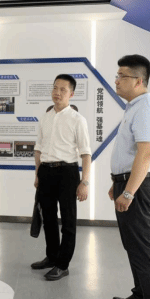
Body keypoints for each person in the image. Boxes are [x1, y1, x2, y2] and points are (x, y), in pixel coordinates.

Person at [108, 55, 150, 299]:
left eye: (122, 76)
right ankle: (141, 296)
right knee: (133, 247)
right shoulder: (134, 108)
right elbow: (130, 153)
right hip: (129, 184)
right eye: (117, 75)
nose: (117, 80)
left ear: (139, 81)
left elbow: (146, 154)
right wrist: (118, 183)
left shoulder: (146, 109)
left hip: (139, 188)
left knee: (143, 250)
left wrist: (129, 191)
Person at [32, 74, 92, 281]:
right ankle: (52, 257)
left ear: (71, 94)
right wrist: (37, 174)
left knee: (68, 221)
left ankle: (63, 264)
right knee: (48, 219)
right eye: (55, 88)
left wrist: (84, 182)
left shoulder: (77, 119)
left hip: (67, 173)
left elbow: (86, 154)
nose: (57, 93)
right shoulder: (45, 117)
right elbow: (38, 148)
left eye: (62, 90)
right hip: (46, 172)